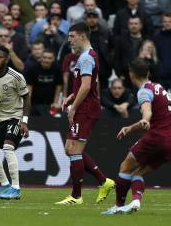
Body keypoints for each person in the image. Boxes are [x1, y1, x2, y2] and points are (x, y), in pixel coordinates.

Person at [102, 58, 171, 215]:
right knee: (137, 172)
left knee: (125, 166)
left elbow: (147, 110)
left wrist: (144, 118)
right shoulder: (158, 86)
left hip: (157, 138)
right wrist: (132, 127)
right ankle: (135, 201)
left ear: (131, 74)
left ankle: (118, 206)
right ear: (148, 73)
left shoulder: (144, 91)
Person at [55, 22, 114, 205]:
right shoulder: (87, 56)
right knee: (70, 149)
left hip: (86, 109)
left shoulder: (86, 58)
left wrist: (73, 108)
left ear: (82, 36)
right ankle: (104, 181)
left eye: (72, 36)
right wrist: (72, 96)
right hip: (85, 106)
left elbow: (88, 86)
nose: (69, 40)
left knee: (73, 150)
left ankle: (76, 196)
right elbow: (85, 84)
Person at [0, 45, 30, 200]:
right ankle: (5, 185)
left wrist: (24, 122)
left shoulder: (16, 76)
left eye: (0, 57)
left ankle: (16, 188)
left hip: (15, 117)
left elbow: (27, 98)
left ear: (7, 59)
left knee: (8, 148)